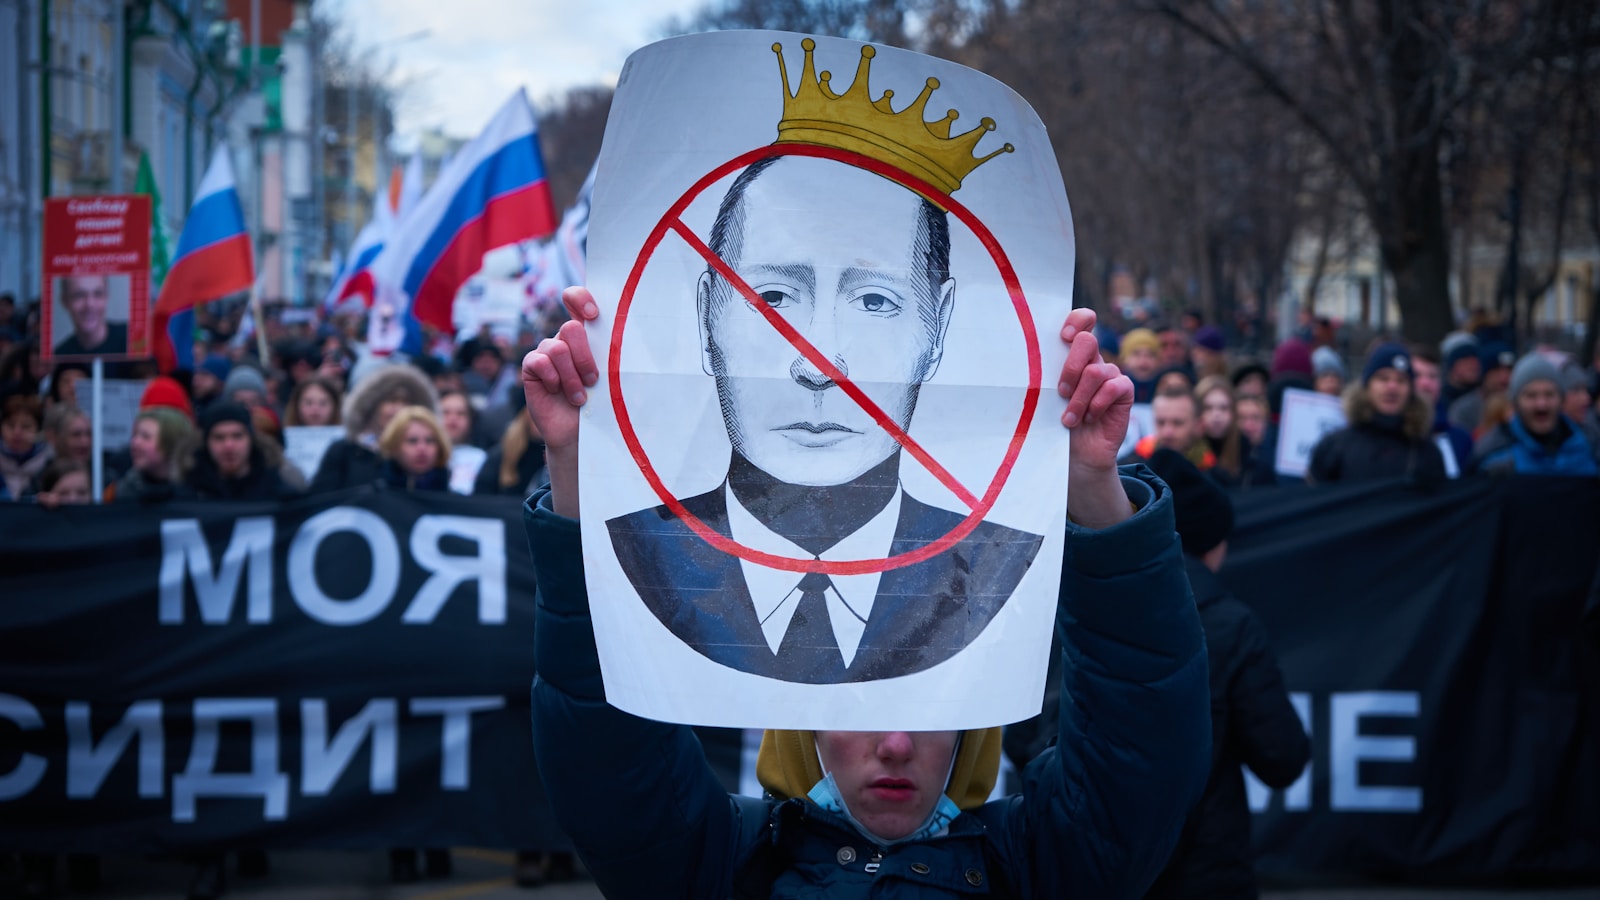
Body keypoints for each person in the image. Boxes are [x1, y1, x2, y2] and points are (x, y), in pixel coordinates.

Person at [521, 287, 1208, 898]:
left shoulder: (1043, 867)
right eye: (862, 701)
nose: (898, 742)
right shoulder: (716, 867)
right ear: (801, 704)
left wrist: (1090, 487)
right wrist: (586, 469)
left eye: (929, 700)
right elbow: (603, 746)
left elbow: (1142, 739)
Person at [603, 154, 1043, 684]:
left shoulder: (1012, 570)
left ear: (937, 329)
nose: (816, 364)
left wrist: (1105, 510)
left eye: (876, 301)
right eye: (771, 299)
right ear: (706, 317)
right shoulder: (628, 558)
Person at [1308, 343, 1446, 484]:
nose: (1392, 387)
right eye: (1383, 378)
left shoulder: (1426, 452)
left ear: (1410, 390)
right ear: (1367, 386)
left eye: (1401, 380)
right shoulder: (1335, 447)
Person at [309, 363, 437, 493]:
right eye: (392, 401)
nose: (400, 409)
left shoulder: (425, 454)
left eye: (406, 403)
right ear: (372, 407)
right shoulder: (345, 450)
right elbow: (319, 499)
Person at [1470, 354, 1600, 476]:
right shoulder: (1495, 454)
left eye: (1549, 394)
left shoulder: (1588, 444)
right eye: (1531, 396)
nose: (1541, 405)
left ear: (1561, 399)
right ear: (1515, 402)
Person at [181, 403, 303, 501]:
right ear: (206, 443)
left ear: (251, 439)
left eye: (237, 436)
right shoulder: (186, 494)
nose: (228, 445)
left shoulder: (281, 493)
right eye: (219, 437)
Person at [109, 408, 194, 504]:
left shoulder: (198, 491)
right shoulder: (122, 492)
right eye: (135, 435)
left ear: (171, 442)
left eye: (146, 437)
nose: (135, 443)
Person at [1409, 345, 1472, 474]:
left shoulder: (1460, 439)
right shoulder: (1389, 437)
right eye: (1417, 375)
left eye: (1432, 376)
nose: (1426, 383)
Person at [1123, 388, 1216, 471]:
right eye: (1161, 422)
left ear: (1198, 426)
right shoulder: (1131, 467)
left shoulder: (1214, 472)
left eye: (1178, 423)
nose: (1167, 432)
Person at [376, 406, 452, 492]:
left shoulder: (457, 502)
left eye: (429, 441)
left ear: (440, 447)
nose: (422, 448)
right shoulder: (372, 498)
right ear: (394, 446)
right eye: (412, 441)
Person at [1195, 375, 1251, 485]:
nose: (1216, 415)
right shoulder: (1186, 452)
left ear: (1233, 413)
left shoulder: (1246, 453)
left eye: (1223, 408)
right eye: (1208, 408)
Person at [1448, 341, 1514, 434]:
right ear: (1484, 374)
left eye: (1509, 370)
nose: (1504, 377)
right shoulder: (1464, 409)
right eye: (1496, 370)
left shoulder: (1521, 405)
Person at [52, 274, 127, 356]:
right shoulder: (59, 356)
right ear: (64, 301)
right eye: (79, 295)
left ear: (106, 297)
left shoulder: (131, 339)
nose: (90, 304)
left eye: (98, 294)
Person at [1, 394, 53, 499]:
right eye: (11, 425)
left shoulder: (50, 462)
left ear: (39, 431)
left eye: (26, 426)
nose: (17, 432)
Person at [1121, 327, 1162, 402]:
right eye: (1136, 354)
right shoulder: (1116, 389)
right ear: (1125, 358)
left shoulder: (1163, 387)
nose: (1143, 361)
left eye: (1150, 355)